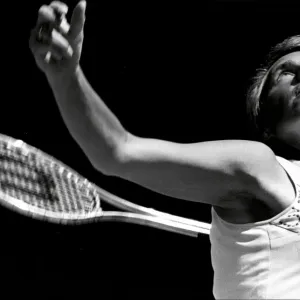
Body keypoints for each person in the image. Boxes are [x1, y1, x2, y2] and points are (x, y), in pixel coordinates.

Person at [29, 1, 300, 299]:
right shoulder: (257, 165)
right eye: (286, 73)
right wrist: (67, 78)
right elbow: (118, 151)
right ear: (266, 121)